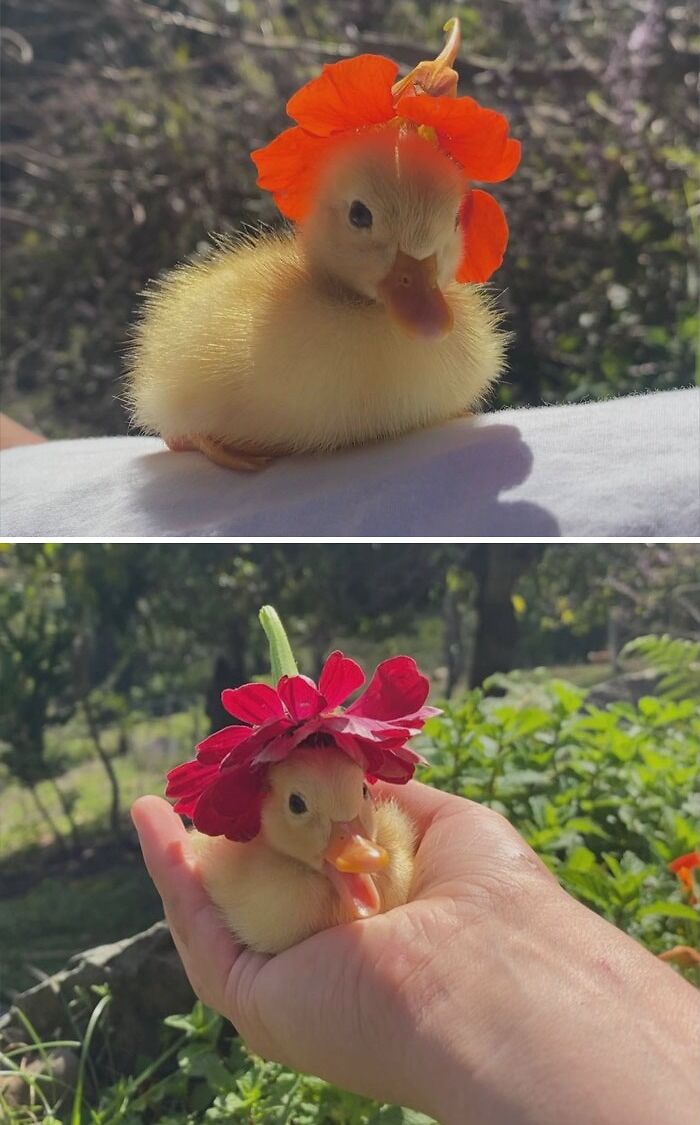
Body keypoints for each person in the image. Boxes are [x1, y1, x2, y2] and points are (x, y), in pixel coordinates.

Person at [132, 782, 700, 1125]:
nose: (355, 835)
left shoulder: (389, 853)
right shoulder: (251, 873)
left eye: (360, 797)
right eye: (301, 806)